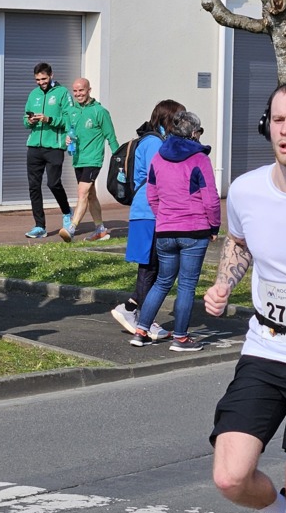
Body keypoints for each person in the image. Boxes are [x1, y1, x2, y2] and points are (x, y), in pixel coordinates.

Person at [206, 82, 286, 513]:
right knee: (230, 476)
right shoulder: (245, 190)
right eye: (280, 120)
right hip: (266, 346)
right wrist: (223, 285)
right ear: (267, 126)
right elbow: (238, 244)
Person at [130, 110, 220, 352]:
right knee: (187, 285)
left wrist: (163, 217)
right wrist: (214, 226)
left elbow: (151, 194)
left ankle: (141, 331)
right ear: (194, 133)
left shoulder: (159, 157)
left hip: (165, 229)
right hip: (194, 230)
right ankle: (180, 338)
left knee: (162, 281)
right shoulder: (199, 159)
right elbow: (211, 199)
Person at [111, 99, 185, 337]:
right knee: (151, 266)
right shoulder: (154, 142)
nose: (181, 123)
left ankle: (130, 309)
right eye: (179, 118)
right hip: (149, 212)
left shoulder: (156, 140)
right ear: (168, 118)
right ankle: (144, 319)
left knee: (154, 266)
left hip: (149, 212)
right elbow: (162, 176)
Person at [59, 78, 118, 243]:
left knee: (82, 192)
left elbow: (111, 137)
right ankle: (100, 229)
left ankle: (71, 228)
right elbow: (68, 133)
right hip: (78, 159)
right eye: (75, 91)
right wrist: (67, 139)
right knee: (91, 195)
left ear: (89, 90)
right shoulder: (71, 112)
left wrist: (119, 161)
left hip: (93, 159)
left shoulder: (100, 111)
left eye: (81, 90)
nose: (78, 94)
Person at [23, 62, 73, 239]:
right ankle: (39, 226)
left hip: (54, 147)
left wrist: (49, 119)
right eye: (37, 80)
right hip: (34, 147)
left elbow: (69, 119)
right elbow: (24, 119)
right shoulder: (33, 94)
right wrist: (29, 121)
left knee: (53, 183)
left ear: (51, 75)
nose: (41, 82)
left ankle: (67, 212)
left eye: (43, 79)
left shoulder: (62, 93)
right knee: (33, 186)